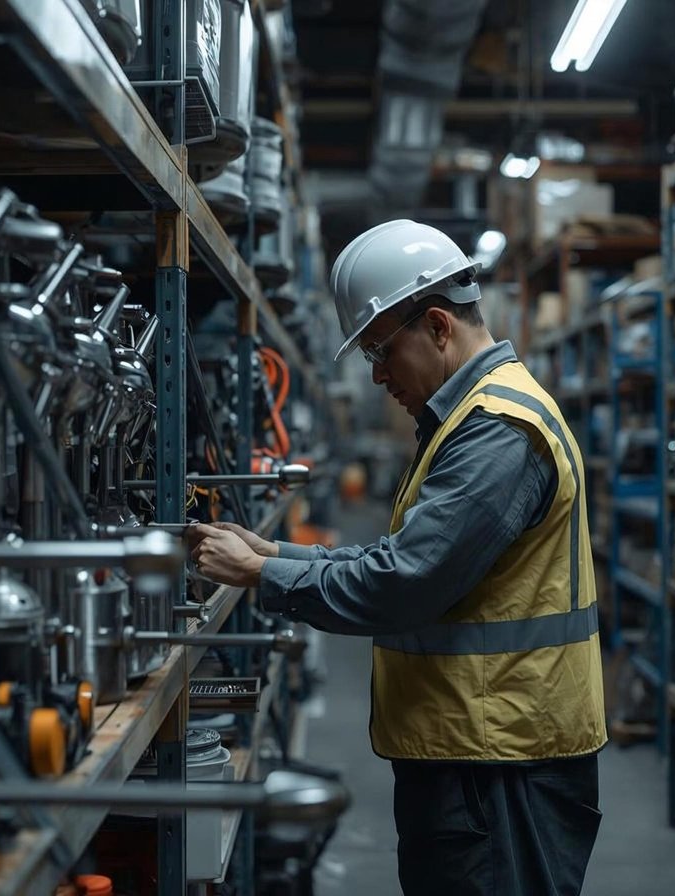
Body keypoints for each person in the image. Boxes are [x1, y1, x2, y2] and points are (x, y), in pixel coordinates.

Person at [188, 219, 606, 895]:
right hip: (481, 750)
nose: (379, 375)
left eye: (382, 351)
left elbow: (405, 582)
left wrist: (264, 575)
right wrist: (280, 552)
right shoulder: (468, 417)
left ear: (439, 327)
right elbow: (405, 554)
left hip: (498, 765)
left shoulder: (496, 430)